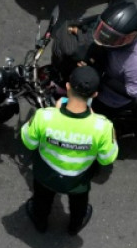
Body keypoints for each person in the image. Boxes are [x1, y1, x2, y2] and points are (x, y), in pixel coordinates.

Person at [21, 66, 119, 235]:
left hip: (46, 175)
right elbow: (106, 159)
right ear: (94, 95)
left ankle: (40, 223)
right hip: (78, 180)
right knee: (79, 204)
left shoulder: (44, 116)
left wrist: (55, 112)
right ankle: (74, 226)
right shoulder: (102, 126)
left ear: (67, 86)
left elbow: (29, 142)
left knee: (41, 200)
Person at [52, 0, 137, 119]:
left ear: (131, 37)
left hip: (108, 97)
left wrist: (99, 74)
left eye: (113, 39)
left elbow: (132, 92)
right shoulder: (123, 26)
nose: (100, 41)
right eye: (102, 30)